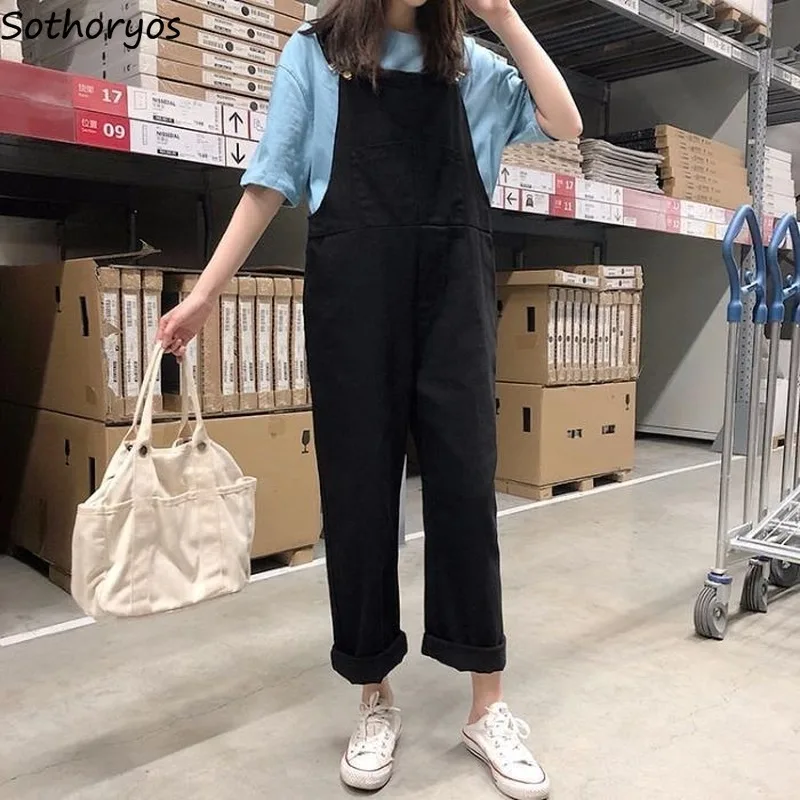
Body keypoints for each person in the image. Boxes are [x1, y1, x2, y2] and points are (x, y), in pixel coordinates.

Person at [158, 0, 581, 795]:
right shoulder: (316, 55)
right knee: (358, 496)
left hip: (454, 302)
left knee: (465, 489)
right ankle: (373, 694)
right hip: (354, 300)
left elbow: (566, 122)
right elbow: (269, 181)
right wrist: (207, 293)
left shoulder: (470, 65)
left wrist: (501, 13)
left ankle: (487, 705)